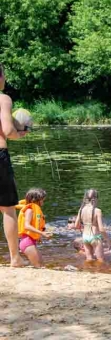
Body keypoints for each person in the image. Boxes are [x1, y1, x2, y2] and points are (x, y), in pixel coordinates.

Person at [0, 63, 29, 267]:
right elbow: (8, 130)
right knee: (8, 209)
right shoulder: (3, 99)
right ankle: (15, 258)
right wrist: (19, 134)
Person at [74, 189, 111, 262]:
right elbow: (101, 229)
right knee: (100, 260)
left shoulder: (81, 210)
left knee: (89, 259)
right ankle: (99, 272)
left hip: (85, 237)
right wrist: (108, 240)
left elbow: (76, 226)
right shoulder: (97, 211)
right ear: (96, 199)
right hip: (95, 237)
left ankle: (87, 271)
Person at [17, 188, 51, 267]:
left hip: (31, 241)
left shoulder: (35, 209)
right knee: (39, 266)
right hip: (27, 242)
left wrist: (38, 236)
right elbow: (27, 226)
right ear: (35, 200)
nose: (43, 202)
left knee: (41, 265)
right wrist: (42, 233)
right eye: (42, 200)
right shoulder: (29, 210)